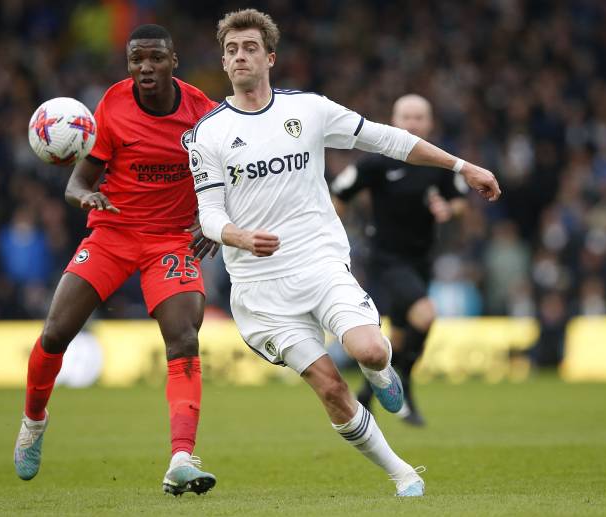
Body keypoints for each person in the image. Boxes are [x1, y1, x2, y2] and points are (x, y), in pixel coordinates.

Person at [189, 9, 501, 497]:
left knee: (371, 350)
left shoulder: (309, 109)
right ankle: (403, 473)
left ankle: (382, 371)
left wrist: (462, 167)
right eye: (231, 50)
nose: (240, 57)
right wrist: (238, 236)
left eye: (250, 47)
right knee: (331, 388)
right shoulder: (206, 134)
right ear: (224, 62)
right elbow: (207, 213)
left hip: (319, 262)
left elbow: (387, 138)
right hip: (260, 287)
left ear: (270, 57)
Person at [14, 24, 220, 497]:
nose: (145, 67)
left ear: (173, 61)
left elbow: (233, 175)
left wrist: (214, 221)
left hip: (170, 240)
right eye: (135, 59)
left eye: (155, 58)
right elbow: (77, 183)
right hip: (114, 232)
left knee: (184, 338)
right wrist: (86, 197)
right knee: (55, 333)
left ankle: (181, 458)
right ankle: (34, 420)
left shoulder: (203, 114)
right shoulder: (113, 105)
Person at [330, 94, 468, 426]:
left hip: (421, 259)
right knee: (425, 314)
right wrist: (331, 236)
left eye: (419, 117)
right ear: (393, 120)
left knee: (403, 333)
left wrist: (448, 209)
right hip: (386, 259)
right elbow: (339, 194)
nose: (412, 123)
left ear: (430, 123)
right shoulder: (376, 162)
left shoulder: (439, 162)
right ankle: (403, 385)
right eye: (406, 117)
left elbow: (460, 200)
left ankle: (369, 393)